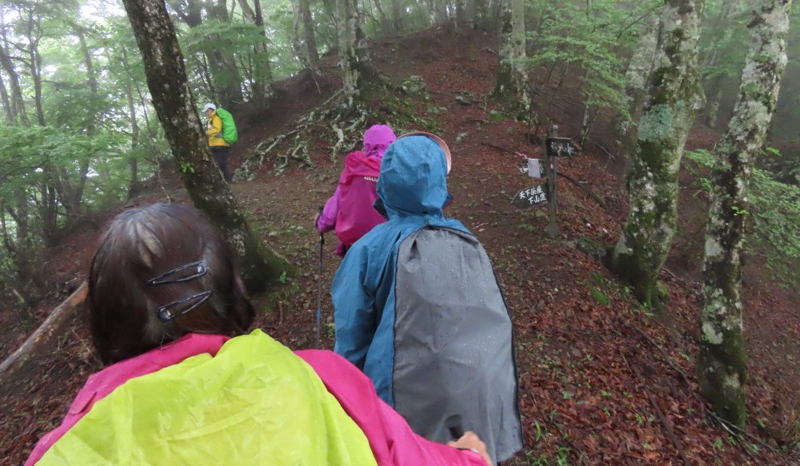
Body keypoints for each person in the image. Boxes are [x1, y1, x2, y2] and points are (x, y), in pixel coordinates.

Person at [26, 202, 492, 466]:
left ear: (105, 321)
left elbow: (350, 307)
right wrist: (468, 458)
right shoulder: (321, 378)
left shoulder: (63, 453)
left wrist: (327, 223)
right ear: (233, 286)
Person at [332, 134, 523, 464]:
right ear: (439, 182)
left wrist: (346, 406)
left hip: (407, 412)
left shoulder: (369, 250)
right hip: (481, 399)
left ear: (385, 182)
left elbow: (351, 342)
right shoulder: (468, 242)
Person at [316, 124, 397, 257]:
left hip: (355, 248)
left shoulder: (354, 170)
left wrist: (321, 223)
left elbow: (332, 211)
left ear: (366, 144)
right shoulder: (398, 171)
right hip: (388, 247)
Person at [202, 102, 232, 183]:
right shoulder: (212, 119)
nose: (206, 113)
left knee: (220, 164)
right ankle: (227, 180)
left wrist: (207, 133)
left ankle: (227, 180)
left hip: (220, 144)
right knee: (221, 164)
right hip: (217, 144)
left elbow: (216, 129)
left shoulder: (216, 118)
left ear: (211, 110)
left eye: (207, 111)